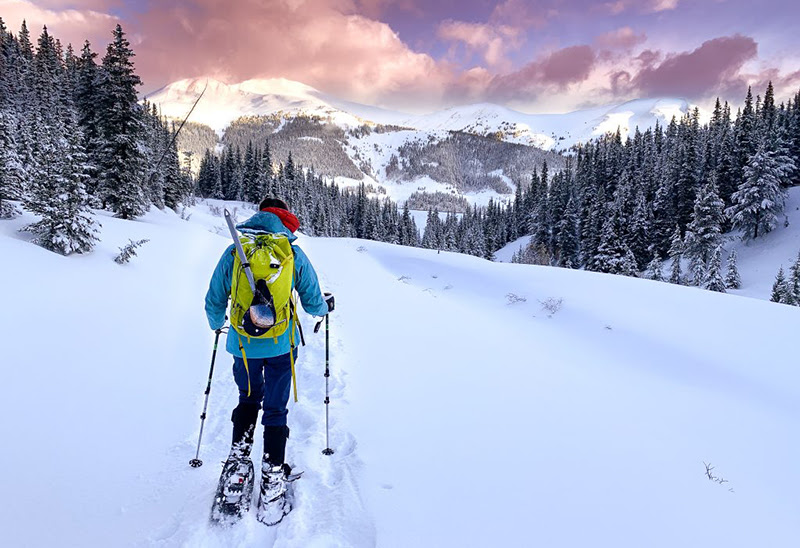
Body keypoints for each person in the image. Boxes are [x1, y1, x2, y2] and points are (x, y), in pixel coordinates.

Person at [204, 197, 333, 518]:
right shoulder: (291, 251)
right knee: (276, 408)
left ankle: (237, 465)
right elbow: (312, 299)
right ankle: (273, 474)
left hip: (243, 345)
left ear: (258, 214)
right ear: (284, 217)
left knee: (247, 398)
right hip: (280, 345)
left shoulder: (236, 249)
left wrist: (218, 324)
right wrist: (325, 308)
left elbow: (214, 299)